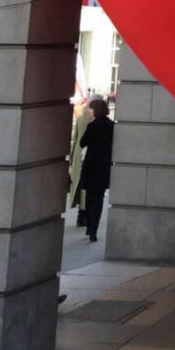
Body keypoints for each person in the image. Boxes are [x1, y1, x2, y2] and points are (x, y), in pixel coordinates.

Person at [79, 98, 114, 242]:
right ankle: (94, 230)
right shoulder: (111, 126)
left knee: (89, 196)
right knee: (99, 199)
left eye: (91, 109)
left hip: (91, 164)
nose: (89, 111)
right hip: (104, 166)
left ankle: (88, 226)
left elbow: (82, 143)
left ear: (96, 110)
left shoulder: (92, 126)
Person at [67, 96, 95, 227]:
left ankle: (81, 214)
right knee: (86, 188)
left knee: (79, 184)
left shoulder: (80, 119)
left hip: (79, 154)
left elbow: (76, 139)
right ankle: (84, 215)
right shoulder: (94, 120)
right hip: (89, 155)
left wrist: (72, 157)